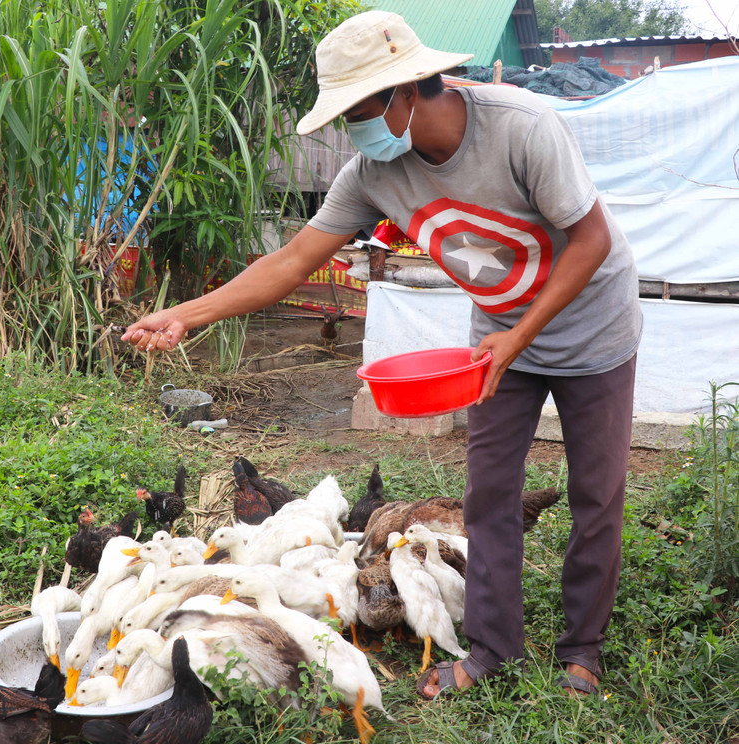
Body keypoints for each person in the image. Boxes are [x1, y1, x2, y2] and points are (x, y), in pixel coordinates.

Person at [122, 10, 641, 698]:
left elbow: (592, 240)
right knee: (488, 494)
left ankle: (582, 650)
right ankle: (491, 650)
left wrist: (521, 337)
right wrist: (183, 315)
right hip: (498, 338)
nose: (352, 130)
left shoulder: (521, 128)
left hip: (593, 327)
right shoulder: (372, 173)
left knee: (595, 494)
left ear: (403, 91)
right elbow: (291, 262)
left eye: (358, 112)